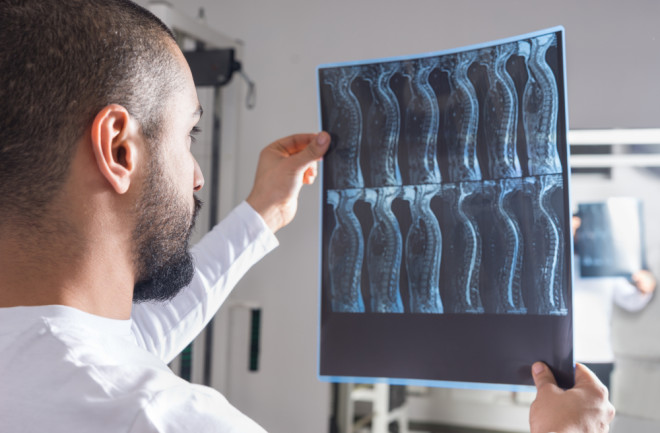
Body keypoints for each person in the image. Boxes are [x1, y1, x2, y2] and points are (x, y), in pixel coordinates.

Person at [0, 1, 613, 432]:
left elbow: (133, 339)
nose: (198, 176)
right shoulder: (163, 421)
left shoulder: (38, 357)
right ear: (119, 150)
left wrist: (262, 213)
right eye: (188, 134)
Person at [572, 216, 656, 389]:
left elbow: (631, 301)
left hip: (597, 354)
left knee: (600, 413)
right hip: (562, 358)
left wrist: (645, 289)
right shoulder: (553, 264)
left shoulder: (606, 265)